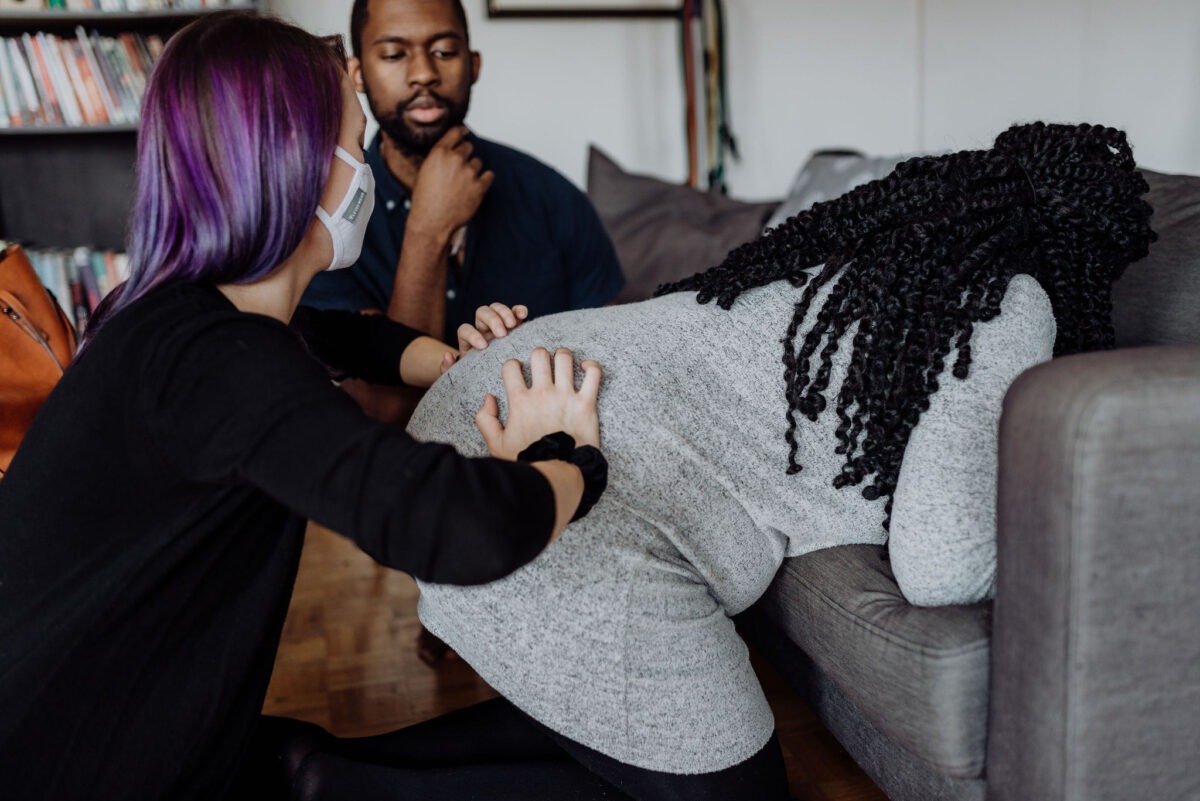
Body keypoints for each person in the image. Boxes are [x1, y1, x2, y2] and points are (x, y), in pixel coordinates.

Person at [393, 122, 1156, 798]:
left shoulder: (862, 255)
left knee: (634, 729)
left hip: (487, 409)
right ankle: (329, 779)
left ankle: (320, 767)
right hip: (541, 476)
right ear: (1082, 247)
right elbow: (942, 568)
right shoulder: (1010, 300)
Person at [0, 13, 611, 801]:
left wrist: (459, 361)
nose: (366, 170)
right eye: (356, 147)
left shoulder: (167, 315)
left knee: (311, 757)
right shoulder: (222, 362)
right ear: (296, 164)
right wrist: (571, 461)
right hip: (72, 764)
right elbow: (455, 525)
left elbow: (336, 338)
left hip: (92, 722)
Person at [302, 0, 625, 343]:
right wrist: (428, 230)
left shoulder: (554, 199)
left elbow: (613, 357)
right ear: (358, 74)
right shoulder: (324, 220)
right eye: (395, 55)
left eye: (444, 51)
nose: (424, 73)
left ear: (473, 65)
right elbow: (382, 398)